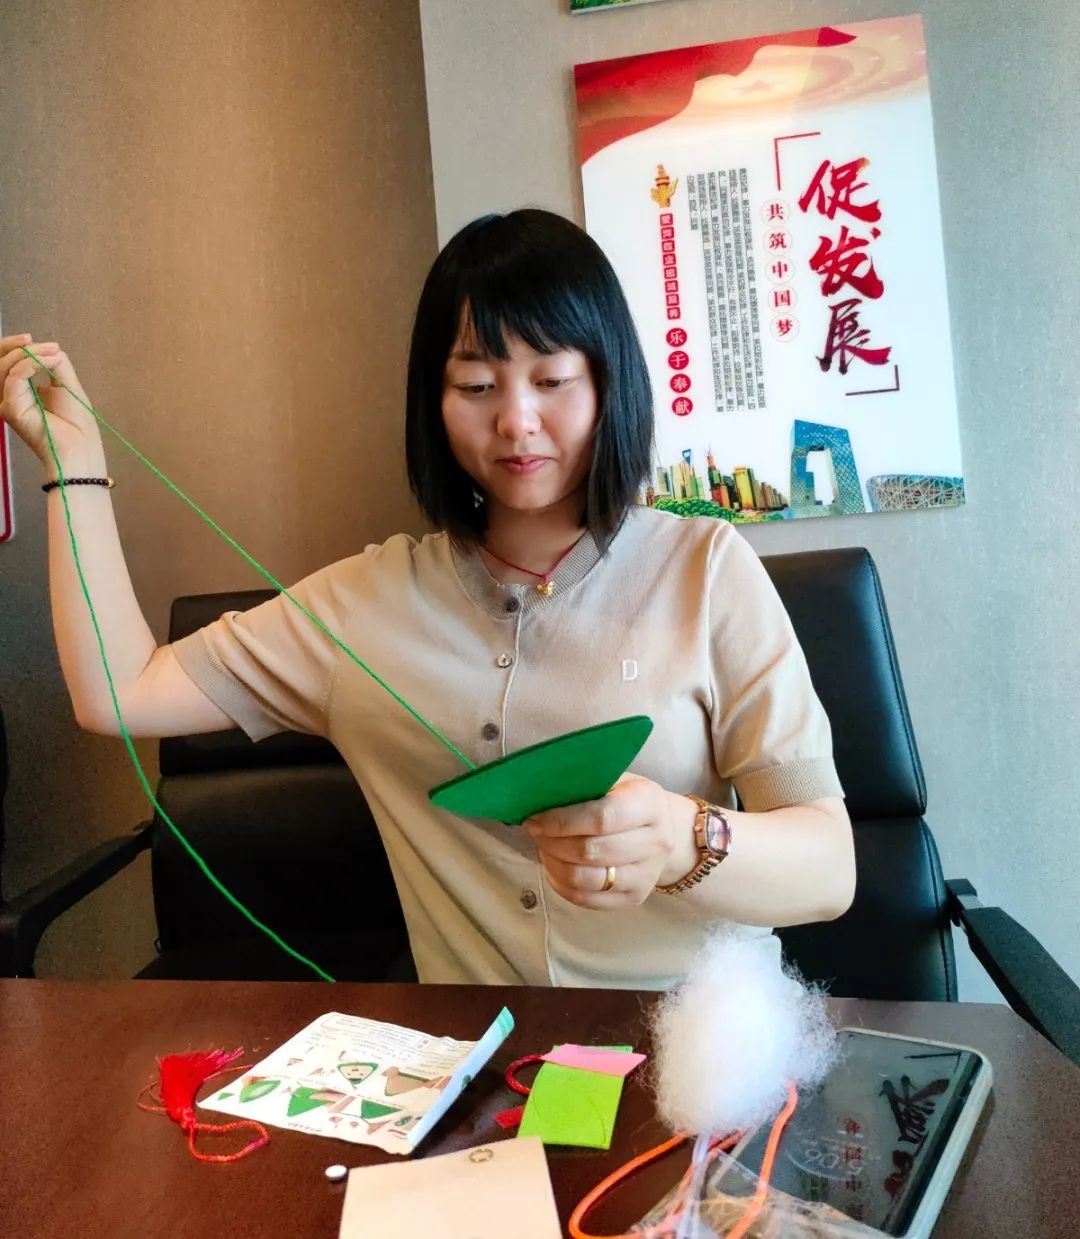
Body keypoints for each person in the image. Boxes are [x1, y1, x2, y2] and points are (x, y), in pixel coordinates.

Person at [0, 209, 855, 989]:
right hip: (479, 1066)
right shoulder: (365, 603)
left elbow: (830, 868)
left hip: (700, 1055)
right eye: (477, 386)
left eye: (553, 379)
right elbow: (117, 691)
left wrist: (683, 838)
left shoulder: (706, 568)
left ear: (608, 383)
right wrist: (74, 467)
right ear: (434, 404)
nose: (516, 421)